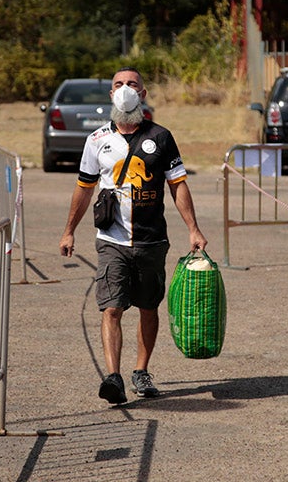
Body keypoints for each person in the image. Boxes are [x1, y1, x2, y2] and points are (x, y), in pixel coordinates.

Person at [60, 67, 207, 405]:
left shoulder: (162, 137)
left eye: (132, 84)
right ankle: (113, 377)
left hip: (151, 239)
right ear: (110, 94)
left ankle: (141, 370)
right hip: (111, 240)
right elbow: (83, 189)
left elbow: (178, 186)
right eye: (118, 84)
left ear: (143, 94)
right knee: (111, 308)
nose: (125, 89)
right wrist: (68, 231)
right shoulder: (97, 140)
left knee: (148, 306)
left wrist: (194, 229)